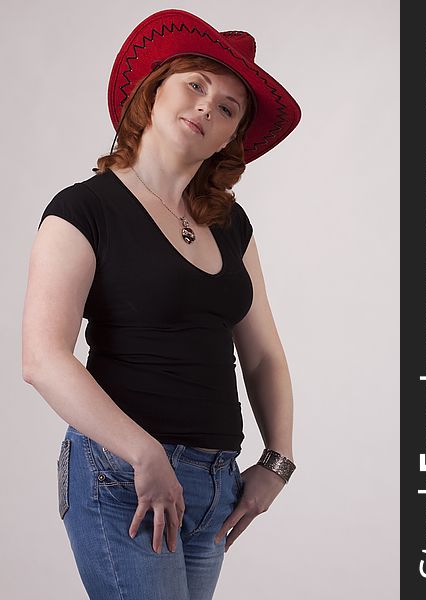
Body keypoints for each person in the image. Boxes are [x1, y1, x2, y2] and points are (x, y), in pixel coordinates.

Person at [22, 9, 301, 600]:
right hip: (124, 477)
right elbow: (43, 358)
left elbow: (263, 357)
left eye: (228, 107)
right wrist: (143, 453)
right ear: (154, 93)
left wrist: (276, 462)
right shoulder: (83, 209)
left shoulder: (231, 225)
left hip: (215, 484)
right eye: (195, 84)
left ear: (232, 137)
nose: (207, 106)